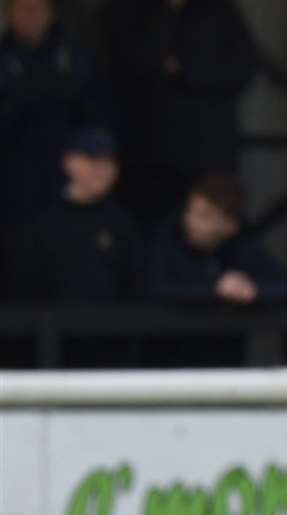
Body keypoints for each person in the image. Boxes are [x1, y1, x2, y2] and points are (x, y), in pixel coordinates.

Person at [102, 0, 260, 231]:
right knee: (152, 231)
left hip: (208, 155)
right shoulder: (130, 9)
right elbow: (120, 66)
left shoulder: (218, 10)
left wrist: (188, 68)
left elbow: (243, 68)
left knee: (212, 228)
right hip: (149, 154)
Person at [147, 173, 287, 365]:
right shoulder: (168, 239)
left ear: (230, 225)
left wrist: (252, 291)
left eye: (204, 216)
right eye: (190, 211)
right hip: (167, 362)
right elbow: (155, 286)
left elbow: (286, 284)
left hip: (225, 365)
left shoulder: (241, 247)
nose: (191, 221)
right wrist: (215, 289)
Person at [0, 0, 102, 233]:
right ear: (10, 13)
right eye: (23, 8)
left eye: (38, 8)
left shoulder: (74, 57)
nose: (31, 15)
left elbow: (93, 116)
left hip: (67, 177)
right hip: (11, 181)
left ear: (51, 12)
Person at [10, 125, 142, 303]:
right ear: (69, 162)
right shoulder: (41, 225)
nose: (103, 170)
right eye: (94, 160)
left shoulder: (123, 225)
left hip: (110, 328)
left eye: (109, 162)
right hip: (50, 328)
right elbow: (24, 290)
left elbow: (136, 290)